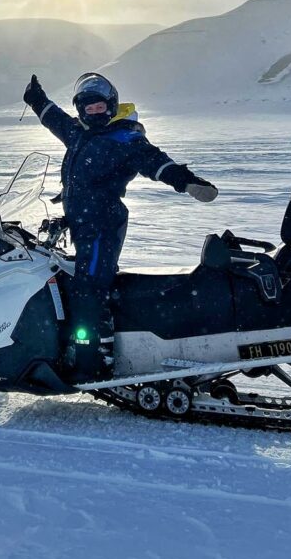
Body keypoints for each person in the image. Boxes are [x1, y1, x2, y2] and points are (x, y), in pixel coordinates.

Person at [23, 71, 218, 383]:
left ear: (111, 107)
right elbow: (55, 120)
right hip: (82, 222)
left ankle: (94, 362)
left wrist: (187, 182)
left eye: (99, 107)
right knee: (73, 283)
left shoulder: (125, 137)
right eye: (88, 108)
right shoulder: (79, 133)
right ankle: (72, 345)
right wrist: (37, 101)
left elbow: (155, 161)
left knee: (90, 287)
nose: (94, 112)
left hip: (103, 223)